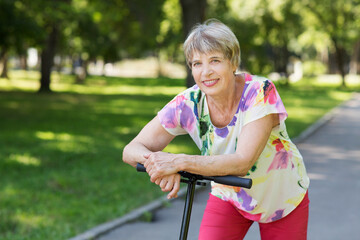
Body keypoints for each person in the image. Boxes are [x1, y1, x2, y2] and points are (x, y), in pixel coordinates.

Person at [123, 19, 310, 240]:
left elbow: (242, 162)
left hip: (281, 198)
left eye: (215, 60)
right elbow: (131, 150)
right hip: (229, 196)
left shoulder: (260, 92)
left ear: (233, 62)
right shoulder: (189, 103)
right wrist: (160, 163)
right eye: (196, 63)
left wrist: (178, 162)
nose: (206, 72)